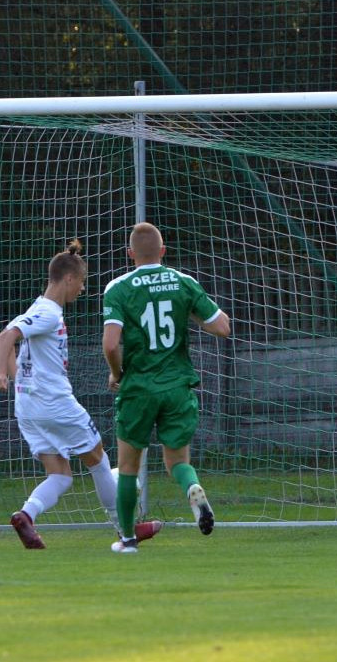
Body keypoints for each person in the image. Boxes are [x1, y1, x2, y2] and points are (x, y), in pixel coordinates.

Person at [0, 239, 162, 549]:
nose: (82, 288)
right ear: (69, 278)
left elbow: (3, 339)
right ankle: (126, 530)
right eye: (81, 282)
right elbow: (5, 338)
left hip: (28, 407)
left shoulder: (37, 309)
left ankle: (26, 515)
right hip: (55, 404)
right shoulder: (48, 313)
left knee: (61, 475)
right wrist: (0, 373)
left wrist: (20, 381)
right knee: (98, 459)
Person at [103, 222, 231, 554]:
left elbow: (111, 343)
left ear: (130, 254)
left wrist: (116, 373)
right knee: (176, 461)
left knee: (128, 466)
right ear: (163, 250)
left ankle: (128, 540)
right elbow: (222, 327)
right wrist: (191, 314)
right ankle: (192, 488)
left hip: (138, 388)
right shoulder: (183, 282)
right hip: (177, 386)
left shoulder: (118, 288)